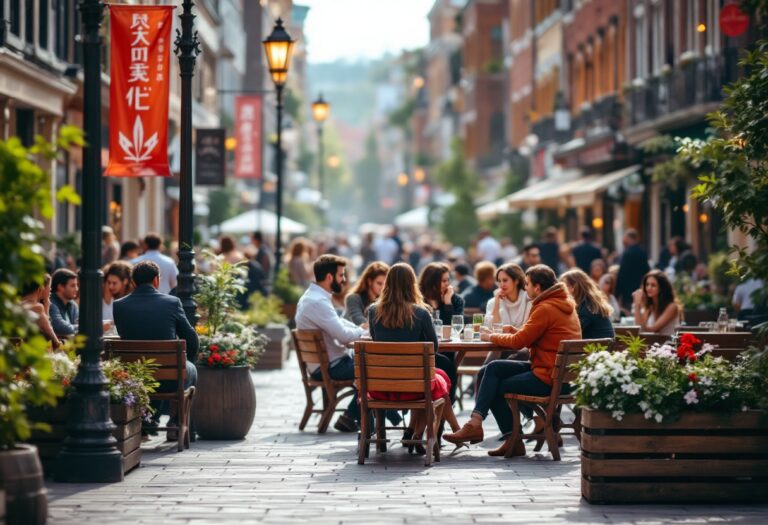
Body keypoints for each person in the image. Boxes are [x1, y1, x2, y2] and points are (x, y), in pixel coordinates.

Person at [444, 265, 581, 457]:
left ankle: (510, 438)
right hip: (556, 374)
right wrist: (515, 331)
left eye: (528, 284)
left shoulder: (545, 307)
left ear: (538, 287)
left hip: (547, 378)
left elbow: (518, 343)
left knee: (494, 384)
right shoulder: (562, 304)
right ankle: (479, 425)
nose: (526, 288)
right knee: (489, 370)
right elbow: (535, 337)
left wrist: (490, 337)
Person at [367, 263, 461, 454]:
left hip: (381, 387)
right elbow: (433, 348)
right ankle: (425, 434)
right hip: (415, 387)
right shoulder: (420, 313)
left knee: (432, 376)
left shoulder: (373, 311)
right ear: (412, 284)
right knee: (437, 378)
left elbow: (376, 342)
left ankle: (420, 432)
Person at [113, 261, 199, 440]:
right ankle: (176, 421)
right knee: (189, 369)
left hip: (134, 378)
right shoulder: (172, 302)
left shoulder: (119, 305)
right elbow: (191, 338)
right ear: (156, 280)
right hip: (170, 378)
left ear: (133, 282)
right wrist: (188, 358)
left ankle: (149, 420)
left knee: (154, 368)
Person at [294, 255, 367, 432]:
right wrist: (365, 332)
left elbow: (338, 323)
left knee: (374, 365)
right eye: (341, 275)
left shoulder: (312, 297)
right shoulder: (318, 302)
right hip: (330, 367)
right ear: (329, 277)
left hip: (326, 364)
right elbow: (343, 336)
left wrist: (360, 328)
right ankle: (351, 417)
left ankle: (357, 418)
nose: (344, 279)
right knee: (376, 370)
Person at [418, 262, 463, 401]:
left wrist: (448, 304)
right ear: (432, 281)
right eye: (443, 280)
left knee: (448, 361)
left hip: (446, 348)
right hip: (422, 349)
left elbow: (453, 327)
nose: (447, 284)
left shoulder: (455, 300)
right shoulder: (418, 299)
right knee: (447, 364)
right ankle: (446, 403)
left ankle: (447, 403)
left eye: (448, 280)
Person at [560, 269, 615, 339]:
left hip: (596, 349)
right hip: (601, 348)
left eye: (564, 286)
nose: (561, 290)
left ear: (574, 287)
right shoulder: (590, 303)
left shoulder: (587, 308)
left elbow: (572, 332)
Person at [632, 269, 681, 336]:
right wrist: (637, 305)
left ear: (661, 288)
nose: (649, 288)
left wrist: (637, 305)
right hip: (653, 343)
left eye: (653, 285)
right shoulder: (649, 306)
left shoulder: (672, 307)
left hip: (668, 344)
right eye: (647, 284)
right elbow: (640, 328)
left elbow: (652, 330)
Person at [20, 274, 61, 349]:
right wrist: (47, 307)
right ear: (41, 288)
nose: (50, 290)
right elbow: (53, 338)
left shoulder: (17, 305)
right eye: (49, 287)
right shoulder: (37, 308)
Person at [344, 261, 389, 327]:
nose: (383, 287)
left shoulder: (386, 301)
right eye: (379, 283)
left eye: (385, 284)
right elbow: (358, 320)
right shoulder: (353, 298)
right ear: (369, 281)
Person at [615, 229, 650, 310]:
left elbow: (622, 273)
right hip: (640, 286)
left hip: (627, 289)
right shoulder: (642, 252)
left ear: (629, 238)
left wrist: (617, 292)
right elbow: (646, 270)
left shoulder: (627, 253)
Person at [49, 268, 79, 338]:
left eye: (76, 285)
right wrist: (89, 328)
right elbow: (61, 327)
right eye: (73, 285)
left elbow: (79, 323)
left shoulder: (73, 305)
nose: (76, 289)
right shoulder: (50, 303)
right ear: (60, 287)